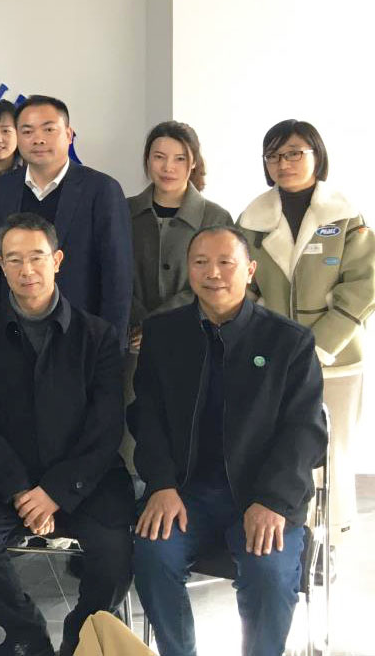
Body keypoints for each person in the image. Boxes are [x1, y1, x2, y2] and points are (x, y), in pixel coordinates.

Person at [131, 226, 326, 656]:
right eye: (201, 262)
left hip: (263, 494)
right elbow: (147, 416)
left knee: (269, 573)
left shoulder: (289, 341)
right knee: (151, 555)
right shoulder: (164, 334)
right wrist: (161, 484)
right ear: (189, 270)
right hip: (186, 492)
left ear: (250, 270)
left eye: (226, 262)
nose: (213, 273)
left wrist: (273, 500)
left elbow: (305, 430)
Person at [0, 214, 132, 656]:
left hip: (84, 478)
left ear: (58, 260)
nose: (26, 269)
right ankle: (26, 633)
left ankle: (80, 635)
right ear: (0, 265)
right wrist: (19, 490)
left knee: (117, 551)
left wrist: (55, 492)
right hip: (4, 478)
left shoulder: (98, 335)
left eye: (37, 257)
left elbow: (106, 427)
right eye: (14, 259)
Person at [236, 120, 374, 547]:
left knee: (332, 451)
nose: (284, 163)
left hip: (336, 360)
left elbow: (363, 284)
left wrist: (320, 347)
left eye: (294, 152)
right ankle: (288, 540)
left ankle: (329, 542)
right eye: (274, 155)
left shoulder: (345, 215)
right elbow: (243, 287)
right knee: (280, 448)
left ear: (317, 155)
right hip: (272, 356)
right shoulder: (252, 219)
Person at [124, 122, 232, 469]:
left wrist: (156, 323)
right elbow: (111, 272)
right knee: (134, 425)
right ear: (147, 160)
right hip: (131, 339)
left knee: (189, 427)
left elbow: (220, 280)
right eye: (159, 157)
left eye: (179, 158)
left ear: (193, 162)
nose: (168, 167)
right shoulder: (124, 210)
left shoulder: (215, 216)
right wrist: (135, 318)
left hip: (195, 336)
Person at [0, 95, 132, 344]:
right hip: (15, 333)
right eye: (27, 131)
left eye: (48, 129)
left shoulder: (101, 189)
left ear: (68, 134)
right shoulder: (4, 188)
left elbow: (117, 277)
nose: (38, 139)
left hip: (81, 335)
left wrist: (111, 347)